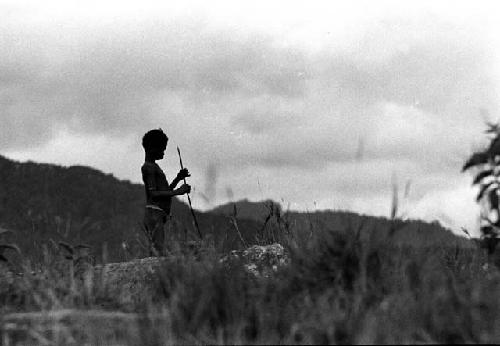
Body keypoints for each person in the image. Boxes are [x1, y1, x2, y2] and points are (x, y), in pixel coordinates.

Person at [141, 128, 191, 256]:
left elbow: (164, 191)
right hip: (154, 214)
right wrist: (178, 191)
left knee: (157, 250)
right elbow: (154, 194)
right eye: (162, 148)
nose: (163, 152)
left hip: (157, 214)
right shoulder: (149, 167)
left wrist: (178, 178)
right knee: (158, 252)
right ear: (152, 148)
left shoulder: (154, 167)